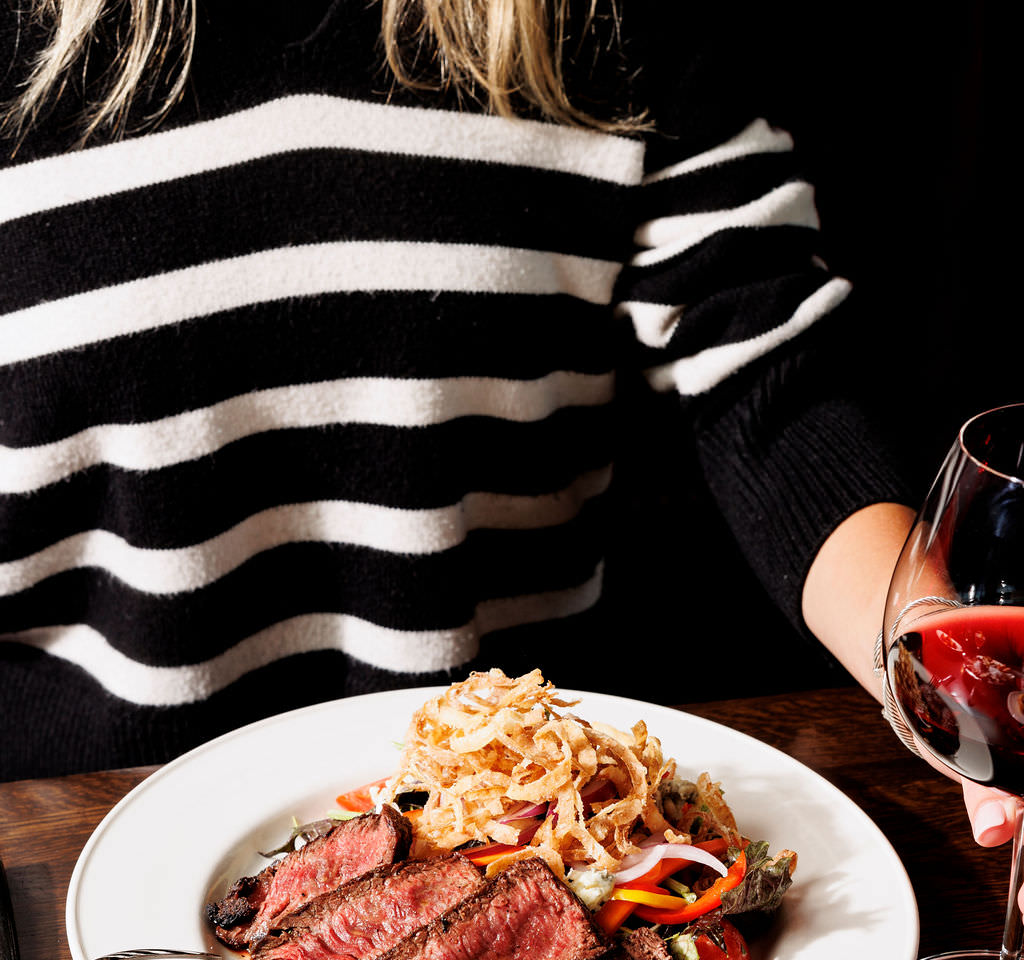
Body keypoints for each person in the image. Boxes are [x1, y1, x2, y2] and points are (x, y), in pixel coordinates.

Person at [0, 0, 1016, 852]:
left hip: (511, 848)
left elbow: (768, 375)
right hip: (66, 859)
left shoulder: (608, 18)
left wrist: (948, 675)